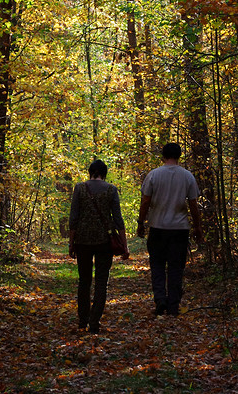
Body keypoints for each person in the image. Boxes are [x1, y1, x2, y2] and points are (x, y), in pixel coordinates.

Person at [137, 142, 203, 317]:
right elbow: (193, 205)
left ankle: (160, 299)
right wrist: (197, 227)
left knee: (157, 265)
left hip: (157, 227)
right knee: (176, 267)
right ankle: (173, 305)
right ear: (179, 156)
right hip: (179, 229)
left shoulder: (153, 175)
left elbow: (145, 201)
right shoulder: (187, 176)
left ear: (163, 156)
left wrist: (141, 222)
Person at [69, 159, 129, 333]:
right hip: (105, 241)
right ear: (104, 173)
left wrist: (71, 243)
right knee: (102, 282)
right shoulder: (111, 190)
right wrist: (124, 245)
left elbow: (74, 218)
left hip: (82, 241)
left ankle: (83, 320)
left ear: (90, 172)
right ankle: (94, 322)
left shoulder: (79, 188)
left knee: (84, 281)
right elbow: (118, 220)